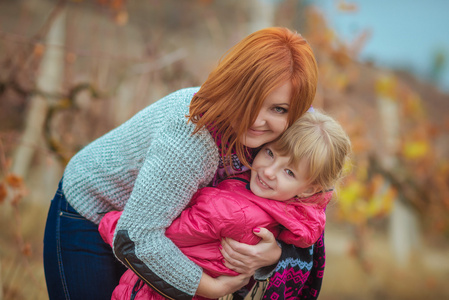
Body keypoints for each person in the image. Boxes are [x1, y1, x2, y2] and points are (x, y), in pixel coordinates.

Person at [43, 27, 319, 300]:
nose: (257, 120)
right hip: (91, 213)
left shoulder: (285, 143)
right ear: (233, 85)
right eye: (251, 100)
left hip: (160, 229)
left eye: (278, 109)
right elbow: (137, 238)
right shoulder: (191, 137)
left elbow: (306, 215)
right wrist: (212, 288)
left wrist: (274, 255)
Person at [99, 111, 352, 300]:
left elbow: (153, 235)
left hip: (151, 291)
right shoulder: (296, 215)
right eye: (270, 153)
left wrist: (108, 220)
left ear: (309, 189)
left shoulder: (232, 210)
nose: (268, 171)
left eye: (288, 172)